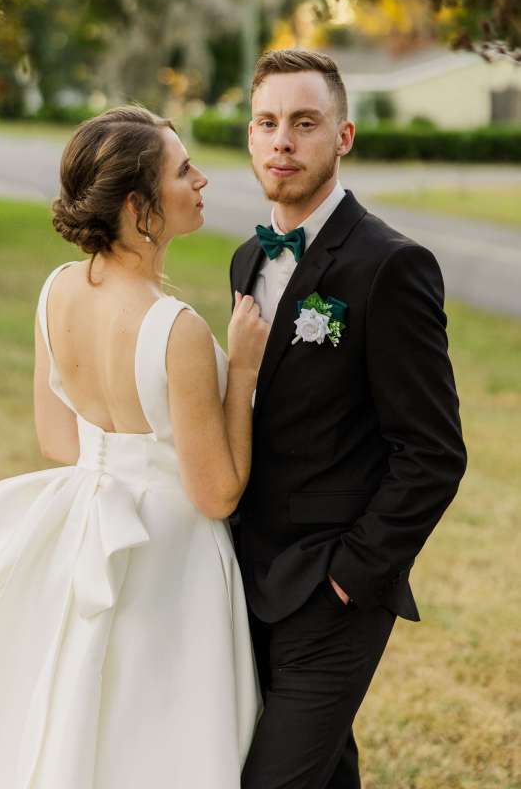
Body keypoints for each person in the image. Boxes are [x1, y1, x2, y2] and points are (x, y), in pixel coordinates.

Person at [0, 105, 267, 789]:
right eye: (183, 171)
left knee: (74, 702)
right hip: (168, 554)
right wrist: (246, 371)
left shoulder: (55, 291)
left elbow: (57, 439)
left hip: (82, 523)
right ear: (139, 206)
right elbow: (216, 493)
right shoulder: (177, 330)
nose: (201, 180)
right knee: (152, 733)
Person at [230, 49, 468, 789]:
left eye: (305, 123)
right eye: (267, 123)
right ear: (249, 135)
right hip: (246, 577)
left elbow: (432, 452)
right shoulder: (245, 260)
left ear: (343, 137)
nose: (282, 141)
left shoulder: (390, 265)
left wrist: (351, 576)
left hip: (330, 588)